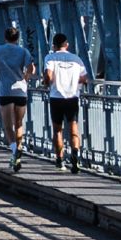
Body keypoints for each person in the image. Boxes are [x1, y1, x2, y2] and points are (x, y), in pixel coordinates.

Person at [0, 27, 36, 172]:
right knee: (19, 123)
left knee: (7, 126)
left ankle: (14, 150)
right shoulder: (23, 51)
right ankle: (18, 150)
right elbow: (31, 68)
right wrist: (25, 78)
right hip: (21, 92)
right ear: (18, 38)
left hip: (5, 91)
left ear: (5, 37)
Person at [42, 33, 88, 173]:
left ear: (54, 46)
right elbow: (84, 78)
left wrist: (45, 84)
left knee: (57, 130)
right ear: (67, 45)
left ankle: (60, 160)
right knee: (74, 128)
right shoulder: (76, 59)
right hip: (72, 98)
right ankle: (75, 155)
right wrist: (73, 82)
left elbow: (48, 76)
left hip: (56, 97)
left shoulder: (50, 58)